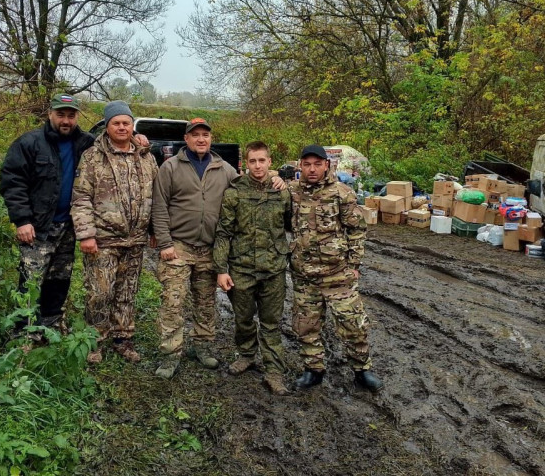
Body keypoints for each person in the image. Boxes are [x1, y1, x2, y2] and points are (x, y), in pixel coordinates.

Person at [151, 118, 285, 379]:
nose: (201, 139)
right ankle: (170, 354)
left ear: (211, 139)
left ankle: (202, 346)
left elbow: (251, 183)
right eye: (195, 135)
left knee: (205, 303)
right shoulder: (170, 167)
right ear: (186, 139)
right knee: (172, 302)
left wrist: (276, 178)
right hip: (179, 246)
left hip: (209, 249)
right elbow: (159, 206)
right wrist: (165, 242)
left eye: (205, 135)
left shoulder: (224, 169)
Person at [287, 144, 383, 392]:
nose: (312, 169)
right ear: (300, 166)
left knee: (353, 324)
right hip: (304, 275)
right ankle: (313, 370)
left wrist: (354, 264)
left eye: (317, 164)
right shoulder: (291, 192)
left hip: (337, 274)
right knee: (306, 326)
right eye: (307, 164)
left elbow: (357, 229)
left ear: (326, 165)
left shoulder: (342, 193)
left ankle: (362, 370)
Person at [0, 93, 95, 335]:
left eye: (71, 116)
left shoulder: (86, 143)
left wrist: (139, 139)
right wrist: (22, 220)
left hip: (69, 227)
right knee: (31, 280)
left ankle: (51, 326)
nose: (66, 121)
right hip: (38, 227)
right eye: (60, 114)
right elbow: (13, 182)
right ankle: (24, 331)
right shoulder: (29, 143)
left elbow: (117, 140)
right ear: (50, 114)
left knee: (59, 279)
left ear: (77, 117)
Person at [71, 101, 158, 363]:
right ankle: (94, 341)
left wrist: (154, 229)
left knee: (127, 292)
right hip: (103, 240)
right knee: (100, 292)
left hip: (135, 240)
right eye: (116, 123)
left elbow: (158, 195)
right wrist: (86, 234)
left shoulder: (146, 157)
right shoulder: (92, 157)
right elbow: (81, 197)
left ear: (132, 126)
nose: (122, 127)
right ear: (107, 126)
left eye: (126, 123)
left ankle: (123, 338)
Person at [213, 141, 292, 395]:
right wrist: (221, 269)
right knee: (244, 318)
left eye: (262, 161)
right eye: (252, 161)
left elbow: (293, 224)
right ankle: (246, 355)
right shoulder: (234, 192)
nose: (257, 166)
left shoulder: (282, 192)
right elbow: (224, 233)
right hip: (242, 267)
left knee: (271, 322)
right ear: (245, 164)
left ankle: (274, 370)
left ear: (270, 162)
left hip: (273, 269)